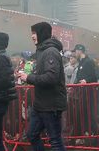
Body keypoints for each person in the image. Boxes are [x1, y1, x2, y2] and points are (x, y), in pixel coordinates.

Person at [18, 22, 67, 151]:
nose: (32, 36)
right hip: (40, 105)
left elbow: (51, 77)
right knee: (32, 135)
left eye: (34, 33)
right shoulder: (42, 51)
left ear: (42, 33)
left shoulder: (50, 52)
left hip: (51, 105)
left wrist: (28, 78)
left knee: (55, 140)